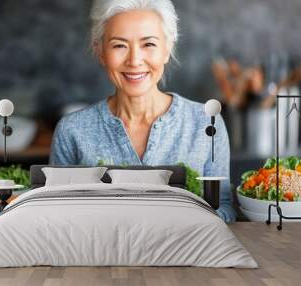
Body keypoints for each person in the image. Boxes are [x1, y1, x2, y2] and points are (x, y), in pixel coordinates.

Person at [49, 0, 236, 222]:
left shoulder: (205, 124)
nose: (135, 60)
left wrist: (187, 223)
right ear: (100, 51)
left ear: (167, 49)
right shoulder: (72, 131)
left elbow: (224, 206)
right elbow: (55, 214)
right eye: (119, 45)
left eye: (148, 44)